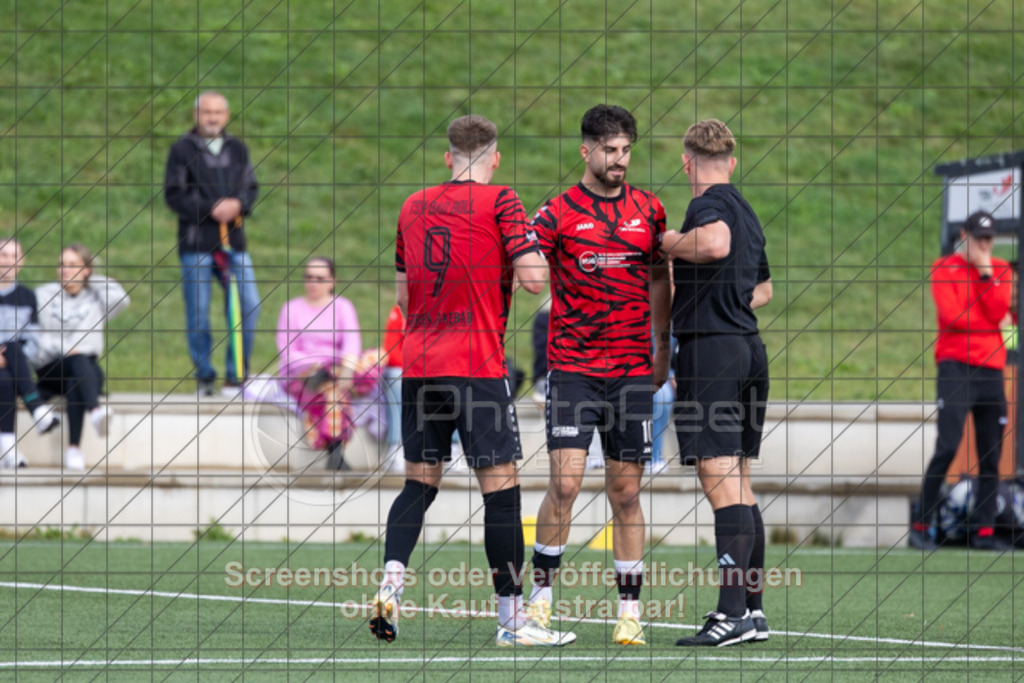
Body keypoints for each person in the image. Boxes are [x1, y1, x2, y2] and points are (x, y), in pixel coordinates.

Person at [368, 114, 572, 648]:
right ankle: (511, 620)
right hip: (476, 364)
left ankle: (391, 584)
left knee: (419, 483)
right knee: (502, 494)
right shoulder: (501, 200)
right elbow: (532, 282)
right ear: (495, 157)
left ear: (448, 157)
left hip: (418, 364)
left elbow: (402, 297)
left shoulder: (413, 205)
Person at [526, 104, 672, 647]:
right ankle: (539, 604)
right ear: (586, 151)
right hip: (573, 369)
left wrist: (662, 348)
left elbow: (661, 279)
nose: (620, 160)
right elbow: (526, 264)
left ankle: (630, 612)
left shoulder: (649, 211)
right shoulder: (558, 211)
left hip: (632, 369)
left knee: (626, 493)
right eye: (610, 150)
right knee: (564, 483)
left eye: (627, 149)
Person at [659, 118, 773, 647]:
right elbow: (763, 289)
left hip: (714, 352)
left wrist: (668, 241)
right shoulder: (748, 209)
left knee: (718, 478)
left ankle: (727, 616)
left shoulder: (709, 207)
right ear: (732, 159)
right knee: (742, 484)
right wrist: (725, 299)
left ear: (688, 162)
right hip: (749, 348)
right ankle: (751, 612)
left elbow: (714, 245)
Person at [910, 210, 1013, 552]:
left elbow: (999, 313)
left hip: (991, 371)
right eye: (977, 238)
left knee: (990, 454)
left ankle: (984, 532)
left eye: (988, 238)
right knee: (948, 446)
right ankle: (922, 524)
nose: (983, 245)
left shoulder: (999, 269)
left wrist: (985, 274)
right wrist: (985, 317)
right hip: (956, 367)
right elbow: (952, 316)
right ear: (964, 237)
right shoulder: (944, 268)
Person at [164, 91, 261, 397]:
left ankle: (236, 375)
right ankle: (205, 376)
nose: (213, 118)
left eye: (218, 112)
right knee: (199, 311)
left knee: (249, 304)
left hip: (233, 243)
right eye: (207, 112)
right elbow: (174, 193)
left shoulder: (237, 148)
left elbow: (251, 187)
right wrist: (211, 208)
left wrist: (238, 204)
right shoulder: (182, 149)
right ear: (196, 115)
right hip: (196, 245)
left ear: (226, 115)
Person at [33, 245, 130, 471]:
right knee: (80, 363)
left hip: (82, 369)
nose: (65, 270)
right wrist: (68, 349)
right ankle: (95, 412)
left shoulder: (96, 299)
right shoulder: (43, 295)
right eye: (62, 265)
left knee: (81, 374)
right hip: (51, 366)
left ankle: (74, 449)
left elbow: (122, 299)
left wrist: (90, 279)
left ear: (86, 270)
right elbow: (36, 337)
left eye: (73, 265)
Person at [276, 257, 361, 471]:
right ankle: (336, 451)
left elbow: (352, 343)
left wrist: (344, 369)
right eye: (309, 277)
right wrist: (317, 367)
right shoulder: (291, 309)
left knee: (368, 364)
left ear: (333, 281)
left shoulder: (343, 307)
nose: (313, 283)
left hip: (337, 370)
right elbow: (288, 351)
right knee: (331, 393)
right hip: (303, 374)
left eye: (320, 278)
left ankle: (335, 451)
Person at [0, 237, 61, 468]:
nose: (7, 261)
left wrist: (8, 359)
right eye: (3, 255)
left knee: (7, 373)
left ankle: (8, 449)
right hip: (12, 365)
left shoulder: (27, 297)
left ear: (21, 262)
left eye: (13, 256)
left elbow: (33, 341)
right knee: (13, 349)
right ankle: (38, 410)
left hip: (12, 367)